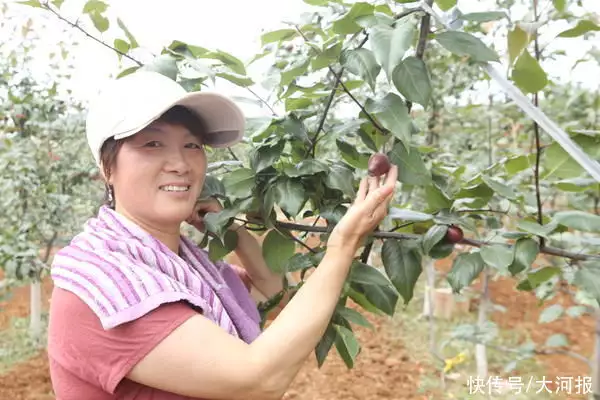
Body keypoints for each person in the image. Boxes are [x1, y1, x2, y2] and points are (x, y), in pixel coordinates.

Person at [46, 70, 398, 400]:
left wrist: (234, 233)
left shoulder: (188, 268)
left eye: (192, 145)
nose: (180, 164)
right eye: (152, 144)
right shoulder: (105, 286)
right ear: (108, 167)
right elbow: (258, 378)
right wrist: (343, 244)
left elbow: (279, 297)